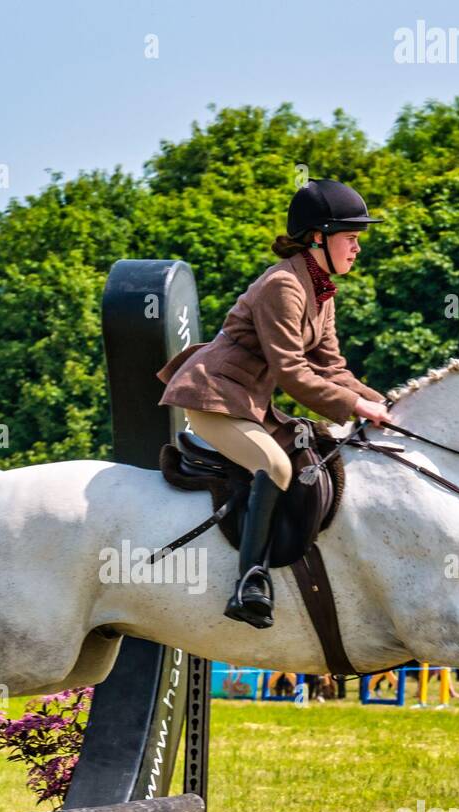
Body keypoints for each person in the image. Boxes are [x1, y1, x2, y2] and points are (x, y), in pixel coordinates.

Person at [156, 178, 394, 628]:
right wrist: (356, 408)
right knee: (277, 467)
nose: (357, 248)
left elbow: (332, 368)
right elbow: (292, 372)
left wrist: (383, 403)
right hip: (214, 397)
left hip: (249, 402)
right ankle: (249, 582)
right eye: (351, 238)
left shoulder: (321, 291)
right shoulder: (283, 285)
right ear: (319, 237)